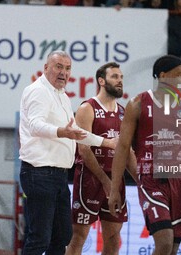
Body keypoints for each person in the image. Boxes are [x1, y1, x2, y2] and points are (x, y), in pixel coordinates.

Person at [108, 55, 181, 255]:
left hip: (179, 181)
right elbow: (123, 147)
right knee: (165, 242)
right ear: (163, 75)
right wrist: (115, 188)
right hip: (151, 180)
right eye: (179, 75)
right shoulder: (138, 103)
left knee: (173, 249)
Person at [19, 50, 117, 255]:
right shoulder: (38, 91)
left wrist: (106, 142)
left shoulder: (61, 95)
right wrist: (61, 131)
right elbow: (35, 125)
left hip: (59, 175)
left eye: (67, 68)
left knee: (61, 237)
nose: (63, 72)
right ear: (46, 68)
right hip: (39, 173)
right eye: (58, 67)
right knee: (39, 238)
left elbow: (76, 132)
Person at [66, 62, 137, 255]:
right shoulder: (87, 108)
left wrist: (142, 181)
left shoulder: (124, 112)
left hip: (115, 179)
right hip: (89, 178)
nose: (120, 81)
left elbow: (128, 151)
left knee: (113, 239)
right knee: (78, 236)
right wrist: (105, 181)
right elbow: (84, 149)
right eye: (115, 77)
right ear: (101, 81)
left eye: (121, 77)